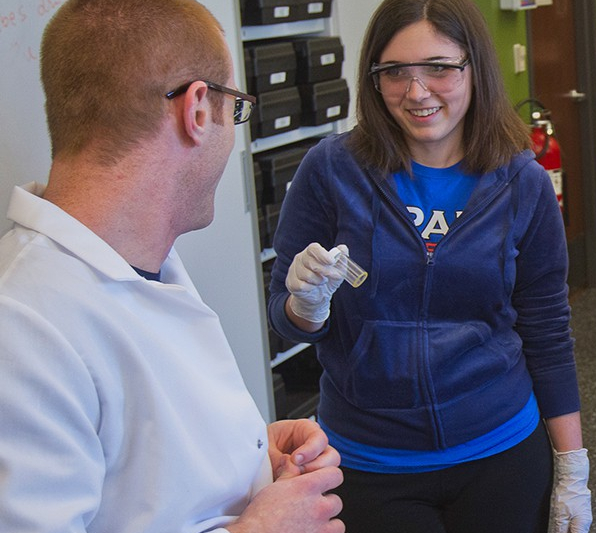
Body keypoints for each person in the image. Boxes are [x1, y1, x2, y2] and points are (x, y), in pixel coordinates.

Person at [0, 0, 345, 532]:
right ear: (198, 110)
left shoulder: (142, 265)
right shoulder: (21, 323)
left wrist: (247, 466)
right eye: (234, 110)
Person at [266, 0, 591, 531]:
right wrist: (305, 304)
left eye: (439, 68)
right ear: (374, 78)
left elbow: (548, 330)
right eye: (395, 72)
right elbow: (284, 317)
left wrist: (572, 466)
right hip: (368, 462)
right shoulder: (331, 170)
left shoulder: (522, 182)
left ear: (474, 68)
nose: (417, 93)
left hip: (500, 451)